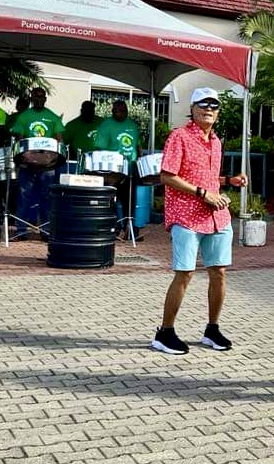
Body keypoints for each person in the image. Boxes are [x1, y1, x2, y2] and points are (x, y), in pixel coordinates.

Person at [151, 87, 248, 355]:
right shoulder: (179, 137)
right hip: (186, 216)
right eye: (203, 104)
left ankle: (212, 329)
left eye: (214, 105)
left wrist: (229, 181)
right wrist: (203, 194)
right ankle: (164, 333)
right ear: (192, 109)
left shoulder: (215, 142)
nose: (209, 109)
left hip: (216, 216)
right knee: (185, 273)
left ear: (218, 113)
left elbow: (206, 176)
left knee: (219, 272)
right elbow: (167, 176)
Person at [9, 87, 64, 241]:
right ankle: (21, 230)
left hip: (47, 164)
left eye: (41, 96)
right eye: (35, 96)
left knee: (47, 197)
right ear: (31, 98)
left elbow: (59, 139)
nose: (38, 99)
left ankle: (46, 230)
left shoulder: (53, 117)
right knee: (23, 196)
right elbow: (20, 139)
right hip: (28, 163)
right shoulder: (24, 116)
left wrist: (49, 156)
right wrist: (27, 156)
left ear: (45, 99)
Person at [94, 100, 141, 236]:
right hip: (112, 170)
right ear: (113, 111)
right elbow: (100, 149)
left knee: (129, 200)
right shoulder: (106, 125)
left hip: (129, 169)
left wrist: (138, 157)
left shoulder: (132, 125)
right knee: (111, 200)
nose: (122, 114)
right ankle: (112, 227)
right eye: (118, 111)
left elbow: (137, 145)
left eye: (124, 111)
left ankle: (129, 228)